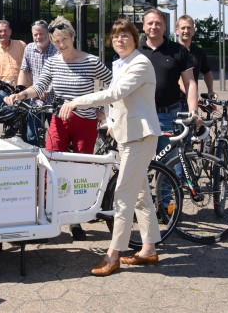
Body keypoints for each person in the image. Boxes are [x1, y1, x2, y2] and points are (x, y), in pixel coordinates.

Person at [59, 19, 162, 276]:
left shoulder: (140, 63)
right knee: (140, 196)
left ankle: (113, 255)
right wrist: (108, 121)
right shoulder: (120, 63)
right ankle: (148, 249)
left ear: (134, 39)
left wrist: (76, 102)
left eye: (125, 36)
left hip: (139, 137)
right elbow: (118, 102)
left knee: (123, 198)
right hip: (127, 135)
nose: (120, 40)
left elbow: (115, 93)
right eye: (116, 37)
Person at [5, 16, 112, 240]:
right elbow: (41, 85)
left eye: (65, 39)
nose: (62, 45)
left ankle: (76, 220)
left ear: (73, 37)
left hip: (85, 121)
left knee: (81, 169)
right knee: (50, 165)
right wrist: (20, 94)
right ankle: (48, 217)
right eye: (57, 42)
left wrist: (101, 107)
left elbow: (113, 84)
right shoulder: (53, 62)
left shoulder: (90, 61)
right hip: (58, 119)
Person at [139, 8, 200, 156]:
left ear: (165, 27)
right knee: (139, 168)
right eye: (150, 23)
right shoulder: (135, 51)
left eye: (158, 23)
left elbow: (190, 83)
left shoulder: (178, 51)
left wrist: (194, 112)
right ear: (144, 26)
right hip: (140, 116)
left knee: (171, 168)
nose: (154, 26)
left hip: (168, 116)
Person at [17, 19, 57, 146]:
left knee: (55, 138)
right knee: (32, 135)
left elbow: (60, 73)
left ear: (48, 34)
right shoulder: (29, 48)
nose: (38, 37)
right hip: (35, 101)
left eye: (41, 34)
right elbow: (24, 70)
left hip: (54, 101)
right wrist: (19, 90)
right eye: (35, 34)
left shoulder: (56, 49)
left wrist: (46, 90)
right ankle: (35, 163)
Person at [175, 14, 215, 106]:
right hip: (174, 103)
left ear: (193, 30)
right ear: (177, 30)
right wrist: (193, 95)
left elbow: (207, 72)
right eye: (183, 28)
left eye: (189, 28)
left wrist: (210, 91)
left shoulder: (199, 52)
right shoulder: (171, 51)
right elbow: (178, 78)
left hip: (192, 100)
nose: (186, 31)